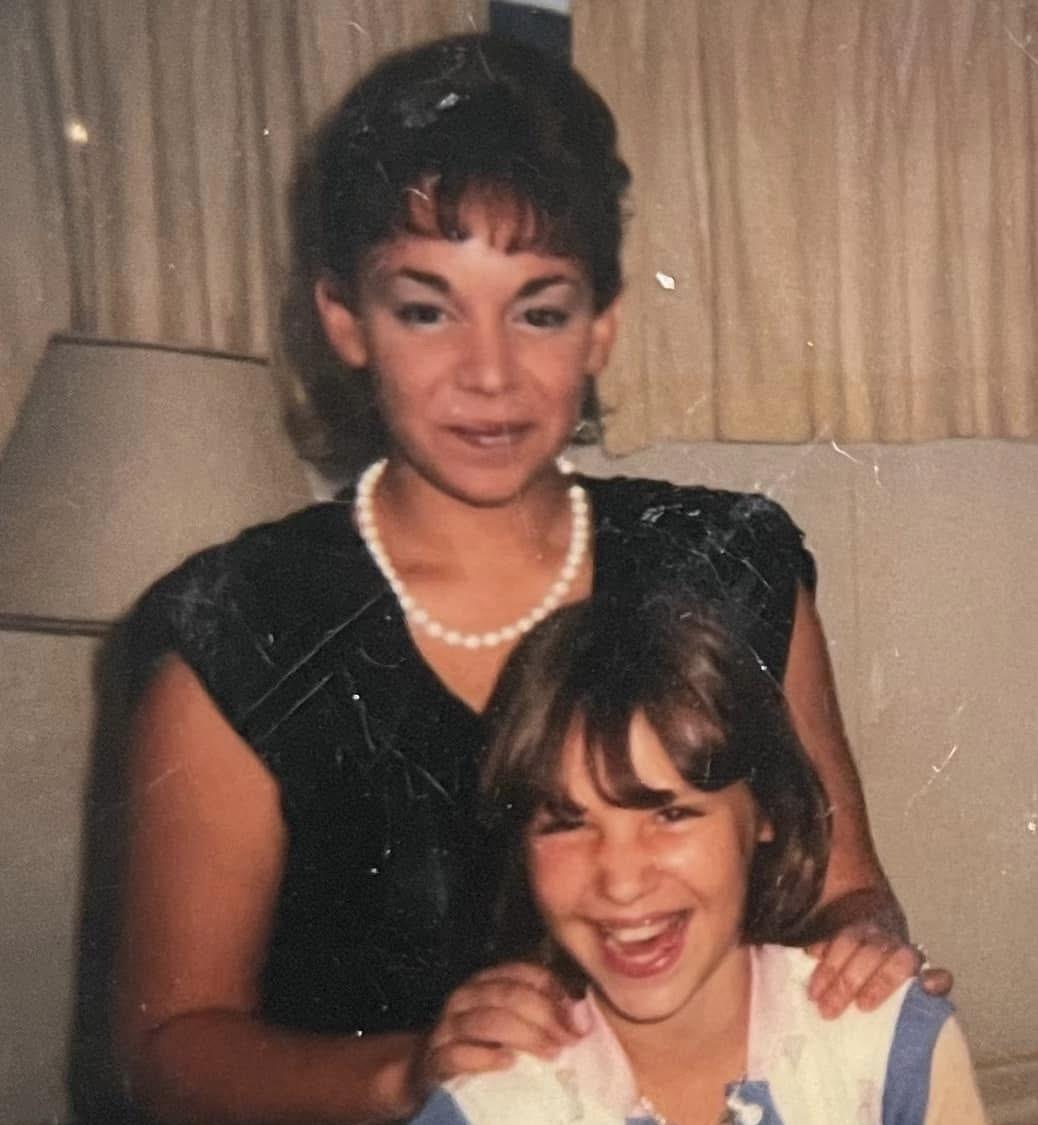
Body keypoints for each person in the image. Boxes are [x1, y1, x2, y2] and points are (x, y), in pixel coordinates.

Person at [113, 32, 946, 1125]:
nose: (490, 372)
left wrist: (865, 958)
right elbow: (163, 1054)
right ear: (343, 320)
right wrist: (408, 1072)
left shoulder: (730, 564)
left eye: (539, 310)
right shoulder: (243, 629)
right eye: (427, 308)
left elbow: (843, 890)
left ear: (601, 326)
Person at [413, 600, 986, 1124]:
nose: (622, 881)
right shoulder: (491, 1108)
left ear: (766, 812)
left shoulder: (886, 1049)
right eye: (567, 822)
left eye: (671, 815)